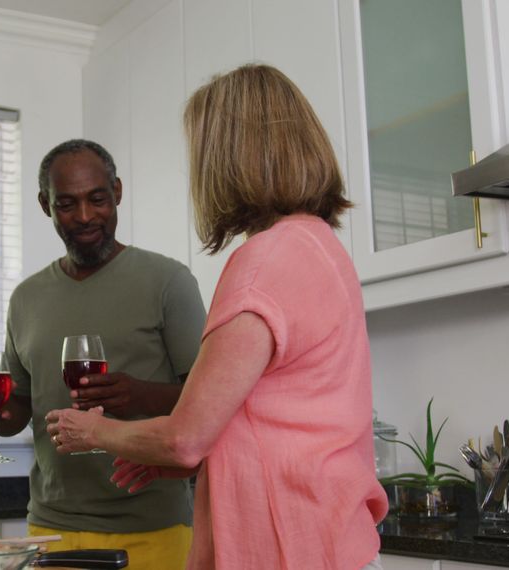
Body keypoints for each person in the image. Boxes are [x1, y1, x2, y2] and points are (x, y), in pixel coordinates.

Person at [45, 65, 389, 569]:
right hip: (332, 540)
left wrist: (91, 431)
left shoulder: (265, 262)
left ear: (229, 158)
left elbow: (185, 438)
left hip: (287, 549)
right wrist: (206, 460)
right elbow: (272, 420)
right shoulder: (319, 247)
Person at [0, 139, 207, 569]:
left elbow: (207, 403)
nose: (85, 216)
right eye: (67, 204)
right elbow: (20, 406)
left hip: (153, 528)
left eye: (97, 199)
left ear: (117, 192)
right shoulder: (26, 298)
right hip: (51, 527)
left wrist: (137, 396)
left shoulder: (168, 281)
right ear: (45, 205)